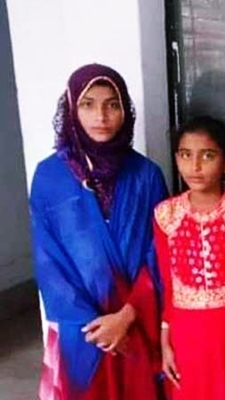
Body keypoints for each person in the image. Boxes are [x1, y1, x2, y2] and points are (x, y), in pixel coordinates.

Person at [31, 63, 168, 400]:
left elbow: (160, 252)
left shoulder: (146, 175)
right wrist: (96, 328)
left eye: (112, 104)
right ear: (71, 109)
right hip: (82, 331)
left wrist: (127, 316)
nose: (101, 116)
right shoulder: (50, 177)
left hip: (136, 322)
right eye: (88, 104)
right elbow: (48, 262)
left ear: (125, 110)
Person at [154, 116, 225, 400]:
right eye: (185, 155)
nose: (195, 166)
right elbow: (168, 284)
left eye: (207, 155)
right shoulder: (165, 215)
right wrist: (165, 340)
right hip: (185, 335)